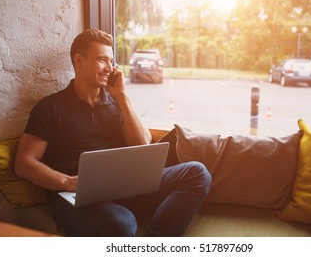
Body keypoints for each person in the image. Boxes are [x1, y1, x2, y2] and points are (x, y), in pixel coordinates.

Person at [14, 29, 211, 237]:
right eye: (102, 60)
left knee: (197, 173)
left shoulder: (116, 103)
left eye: (111, 61)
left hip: (123, 186)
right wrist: (68, 182)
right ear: (79, 61)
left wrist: (122, 96)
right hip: (78, 197)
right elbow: (24, 162)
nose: (109, 68)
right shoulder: (50, 108)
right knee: (121, 224)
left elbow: (143, 144)